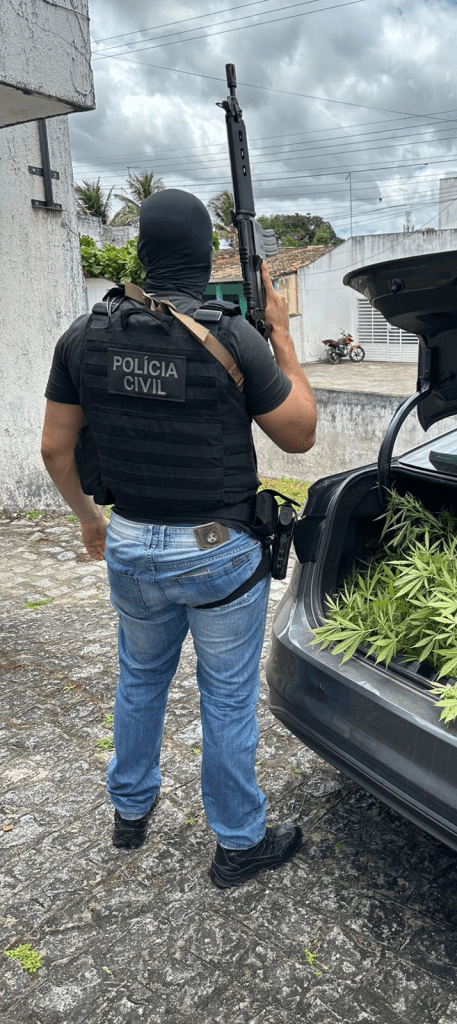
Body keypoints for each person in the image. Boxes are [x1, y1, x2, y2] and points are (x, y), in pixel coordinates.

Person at [40, 188, 317, 889]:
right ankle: (237, 845)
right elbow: (301, 432)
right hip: (218, 552)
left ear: (141, 253)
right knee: (225, 699)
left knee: (139, 680)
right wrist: (280, 333)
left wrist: (88, 520)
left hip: (130, 542)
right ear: (203, 259)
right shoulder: (234, 335)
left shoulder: (84, 334)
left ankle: (129, 814)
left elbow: (54, 449)